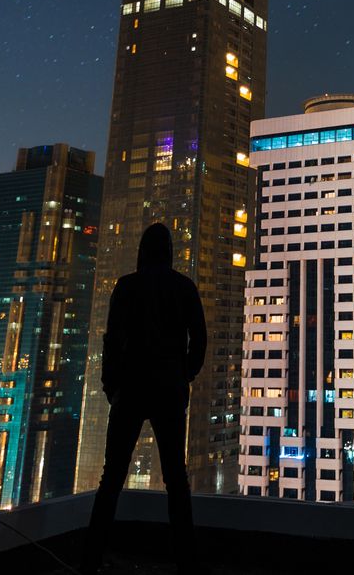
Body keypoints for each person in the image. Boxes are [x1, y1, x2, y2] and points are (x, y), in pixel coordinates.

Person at [80, 222, 207, 575]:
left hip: (131, 390)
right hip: (168, 390)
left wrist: (112, 386)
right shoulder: (184, 287)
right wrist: (186, 376)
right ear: (169, 251)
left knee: (112, 478)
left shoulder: (126, 286)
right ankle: (187, 561)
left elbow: (112, 340)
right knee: (176, 479)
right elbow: (199, 338)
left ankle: (90, 558)